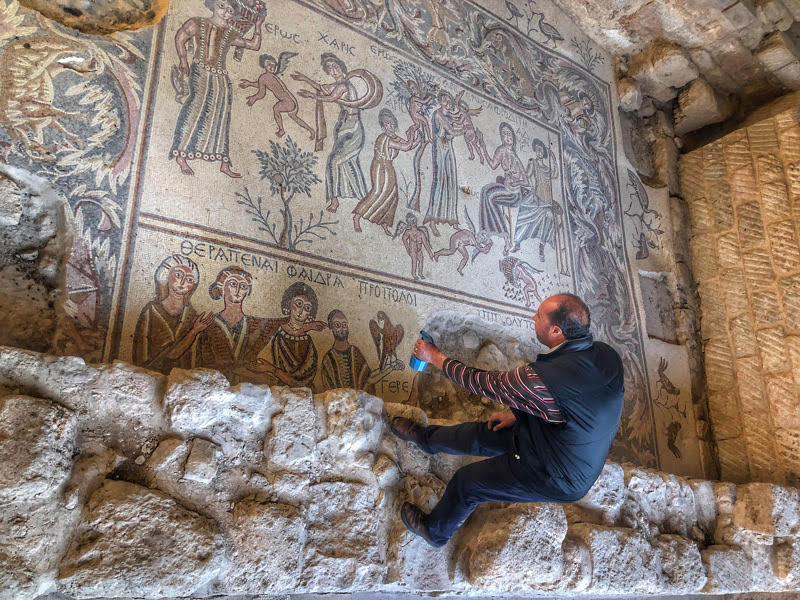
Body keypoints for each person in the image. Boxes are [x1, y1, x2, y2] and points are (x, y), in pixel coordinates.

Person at [390, 293, 624, 547]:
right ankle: (425, 439)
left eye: (539, 316)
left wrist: (434, 357)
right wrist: (518, 412)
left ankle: (435, 532)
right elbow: (577, 404)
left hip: (556, 473)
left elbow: (481, 383)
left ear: (556, 331)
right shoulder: (605, 354)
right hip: (554, 435)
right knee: (478, 434)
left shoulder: (542, 379)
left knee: (467, 483)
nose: (533, 317)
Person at [170, 0, 264, 178]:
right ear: (212, 5)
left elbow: (254, 45)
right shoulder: (197, 22)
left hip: (221, 78)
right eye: (221, 6)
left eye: (229, 10)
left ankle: (223, 162)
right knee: (194, 110)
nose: (225, 12)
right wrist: (183, 59)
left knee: (221, 117)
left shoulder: (230, 33)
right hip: (201, 71)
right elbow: (181, 37)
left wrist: (258, 25)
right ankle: (181, 155)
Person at [132, 255, 213, 372]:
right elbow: (141, 356)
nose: (183, 282)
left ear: (192, 287)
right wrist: (193, 332)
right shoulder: (151, 311)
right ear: (166, 276)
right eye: (178, 275)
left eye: (189, 280)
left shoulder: (193, 317)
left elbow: (196, 359)